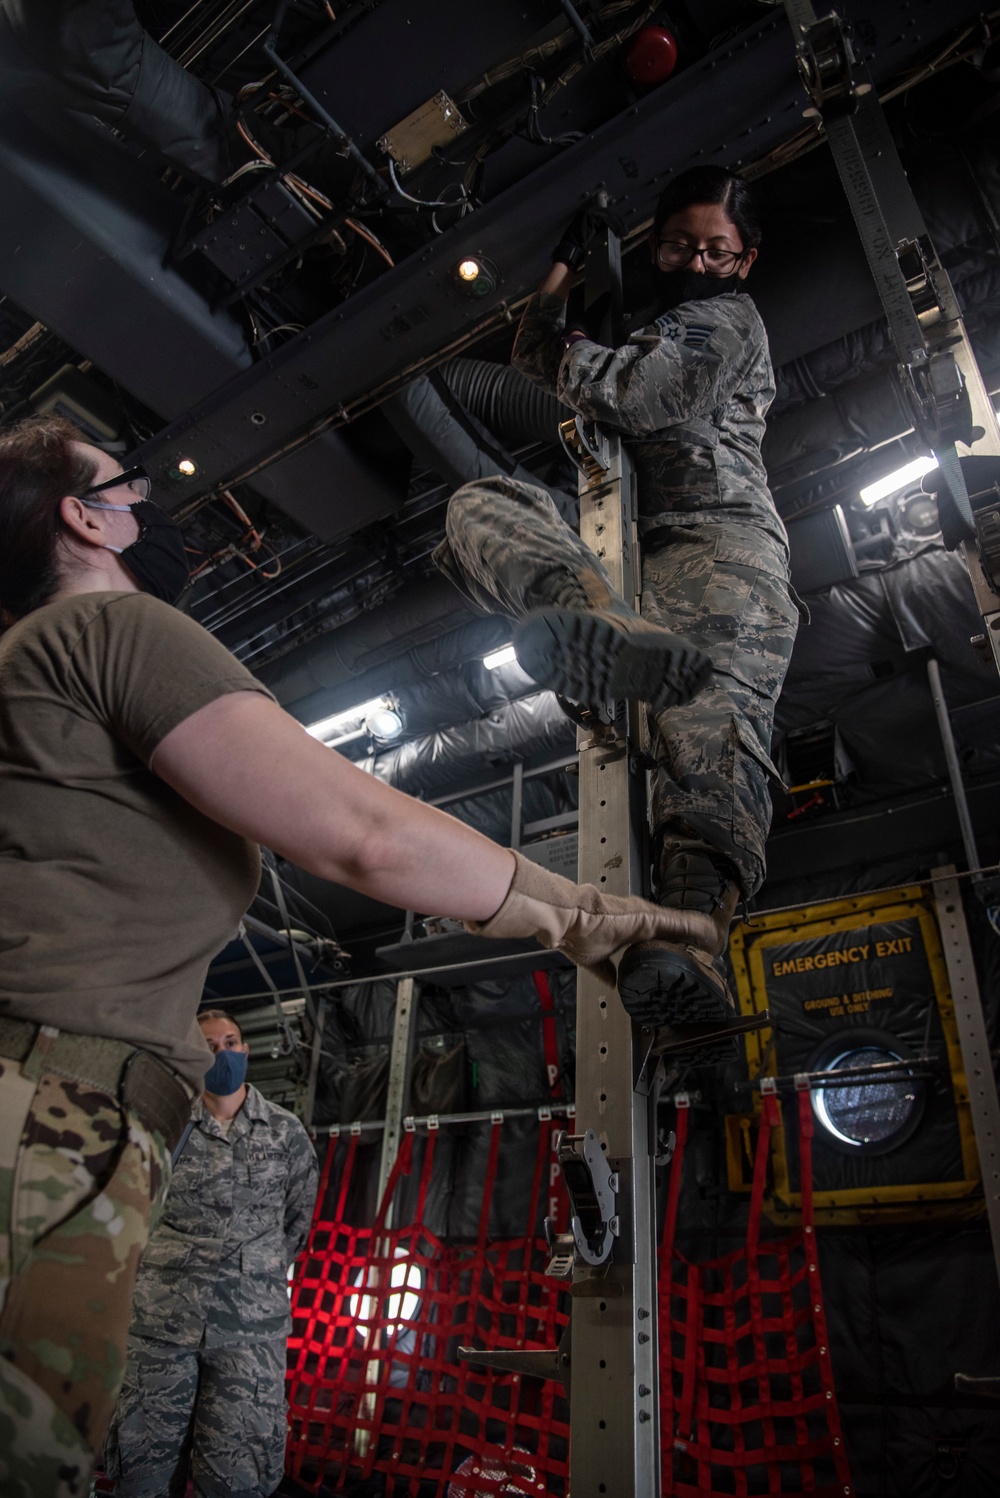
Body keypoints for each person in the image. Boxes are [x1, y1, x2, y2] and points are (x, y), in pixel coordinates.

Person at [0, 416, 712, 1497]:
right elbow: (363, 833)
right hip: (44, 1117)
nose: (147, 506)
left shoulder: (21, 672)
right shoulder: (109, 627)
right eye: (124, 485)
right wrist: (583, 915)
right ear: (84, 515)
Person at [435, 166, 802, 1030]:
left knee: (705, 720)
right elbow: (538, 357)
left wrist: (578, 340)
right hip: (623, 551)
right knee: (476, 508)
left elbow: (634, 394)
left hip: (720, 544)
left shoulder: (724, 320)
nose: (697, 262)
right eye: (679, 246)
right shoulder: (640, 329)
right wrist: (561, 275)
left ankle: (690, 942)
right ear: (655, 245)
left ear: (744, 262)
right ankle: (595, 629)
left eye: (717, 250)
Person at [101, 1009, 318, 1498]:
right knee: (144, 1471)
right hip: (161, 1322)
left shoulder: (285, 1133)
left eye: (231, 1042)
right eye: (210, 1045)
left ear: (245, 1050)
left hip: (250, 1328)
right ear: (193, 1053)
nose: (223, 1053)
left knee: (237, 1475)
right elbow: (132, 1206)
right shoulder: (165, 1125)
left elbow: (297, 1221)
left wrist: (253, 1273)